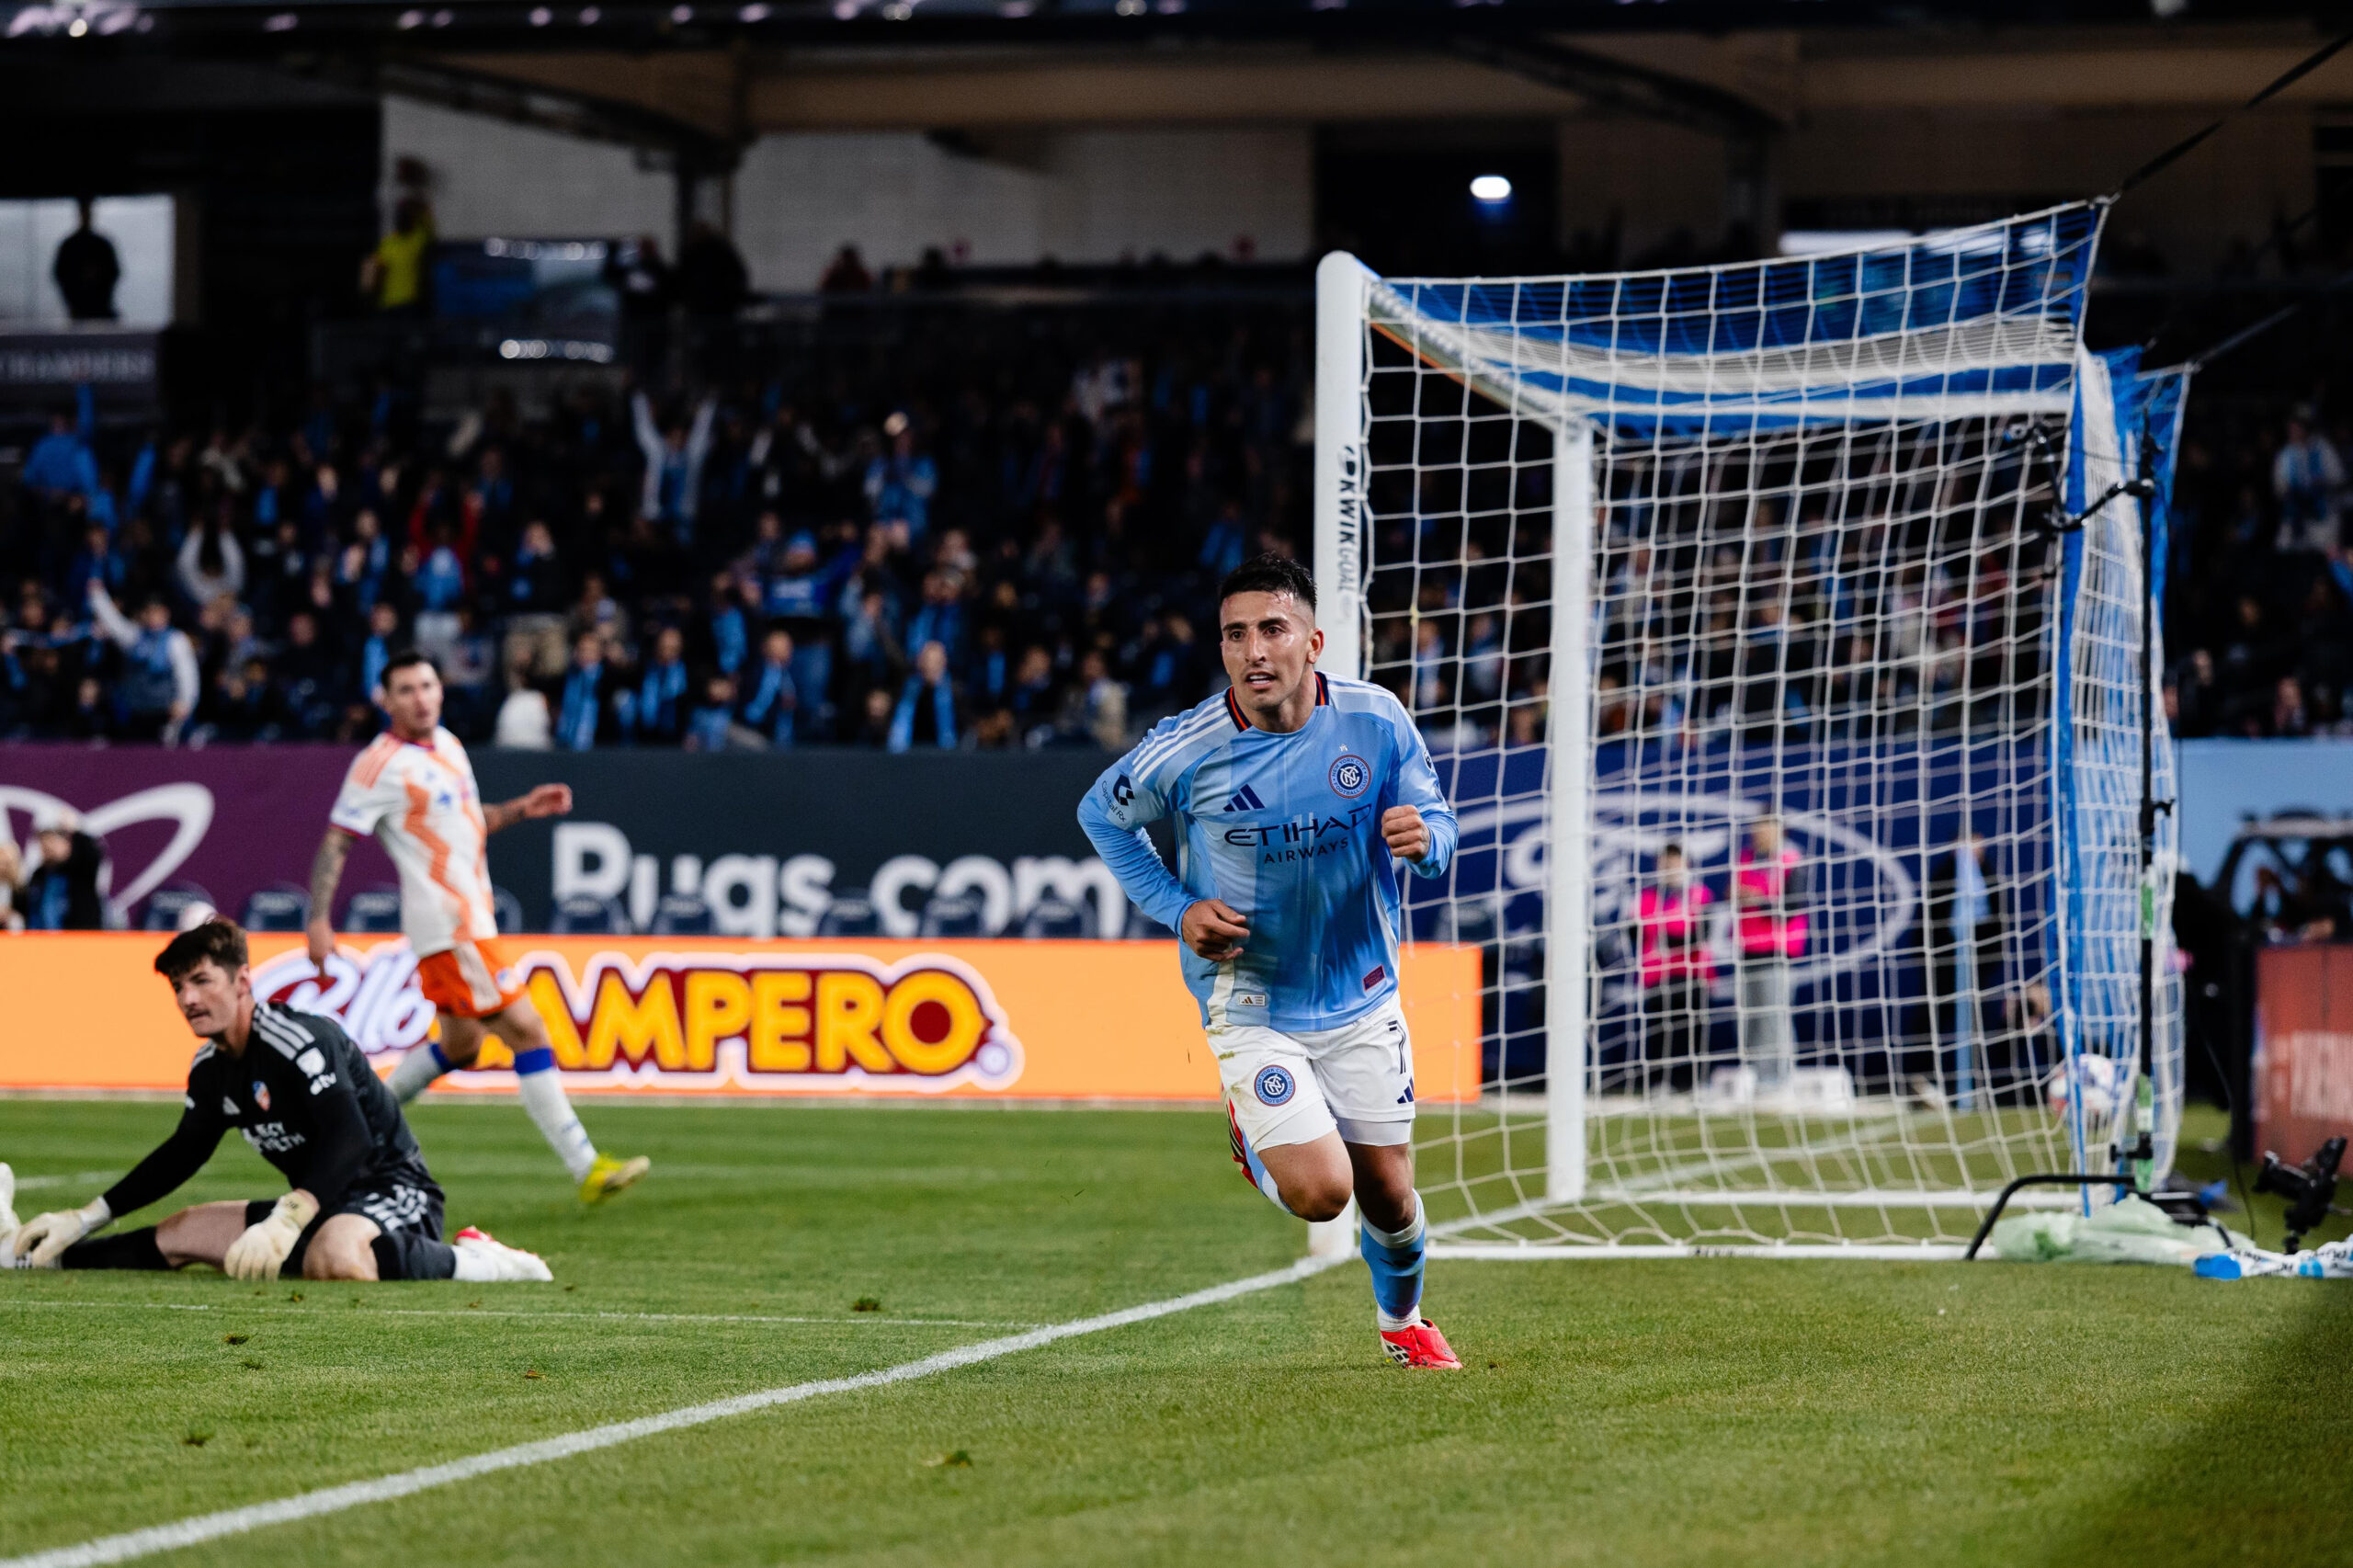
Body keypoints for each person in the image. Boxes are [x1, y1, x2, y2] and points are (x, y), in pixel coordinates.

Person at [1076, 552, 1463, 1370]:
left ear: (1313, 642)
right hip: (1249, 995)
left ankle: (1403, 1322)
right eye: (1235, 634)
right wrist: (1178, 908)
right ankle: (1250, 1131)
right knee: (1323, 1193)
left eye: (1273, 629)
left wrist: (1428, 841)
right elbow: (1101, 815)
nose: (1253, 650)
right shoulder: (1188, 748)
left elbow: (1437, 821)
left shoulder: (1377, 719)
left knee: (1390, 1197)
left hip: (1362, 993)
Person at [4, 918, 548, 1282]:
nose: (188, 998)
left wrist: (290, 1215)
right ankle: (30, 1257)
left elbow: (353, 1139)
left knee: (336, 1255)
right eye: (178, 987)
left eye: (201, 981)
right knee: (182, 1233)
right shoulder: (211, 1068)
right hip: (320, 1205)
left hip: (395, 1193)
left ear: (243, 980)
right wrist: (86, 1217)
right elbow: (182, 1154)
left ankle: (480, 1261)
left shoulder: (299, 1040)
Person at [306, 651, 648, 1203]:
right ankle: (586, 1166)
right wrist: (318, 919)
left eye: (427, 686)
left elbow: (465, 822)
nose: (421, 699)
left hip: (471, 918)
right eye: (406, 690)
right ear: (385, 701)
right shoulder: (379, 764)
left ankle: (354, 1130)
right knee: (527, 1029)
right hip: (450, 925)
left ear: (441, 690)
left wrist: (521, 808)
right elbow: (337, 841)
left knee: (462, 1045)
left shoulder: (447, 745)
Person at [1734, 813, 1807, 1096]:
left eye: (1763, 827)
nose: (1758, 833)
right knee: (1749, 1018)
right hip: (1747, 948)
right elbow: (1733, 894)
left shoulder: (1791, 859)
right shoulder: (1747, 859)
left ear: (1779, 829)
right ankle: (1755, 1077)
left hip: (1777, 950)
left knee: (1773, 1017)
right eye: (1755, 828)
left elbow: (1792, 907)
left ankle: (1778, 1078)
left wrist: (1759, 901)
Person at [1636, 843, 1713, 1095]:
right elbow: (1637, 932)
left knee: (1690, 1029)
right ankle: (1659, 1083)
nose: (1669, 867)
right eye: (1665, 862)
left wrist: (1668, 939)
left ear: (1685, 864)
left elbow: (1701, 934)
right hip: (1658, 975)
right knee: (1659, 1030)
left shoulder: (1699, 895)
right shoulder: (1648, 897)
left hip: (1692, 973)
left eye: (1674, 862)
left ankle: (1693, 1083)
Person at [19, 810, 106, 930]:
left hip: (77, 934)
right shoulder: (39, 874)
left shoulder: (80, 869)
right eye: (43, 841)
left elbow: (92, 854)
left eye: (52, 840)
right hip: (42, 937)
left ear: (67, 843)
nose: (47, 846)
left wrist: (75, 831)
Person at [361, 197, 433, 317]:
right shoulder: (415, 242)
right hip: (401, 302)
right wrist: (420, 206)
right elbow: (427, 225)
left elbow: (372, 272)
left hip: (395, 302)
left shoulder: (388, 244)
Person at [52, 198, 120, 322]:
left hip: (93, 309)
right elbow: (60, 275)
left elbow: (113, 273)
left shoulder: (71, 245)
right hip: (88, 309)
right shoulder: (99, 244)